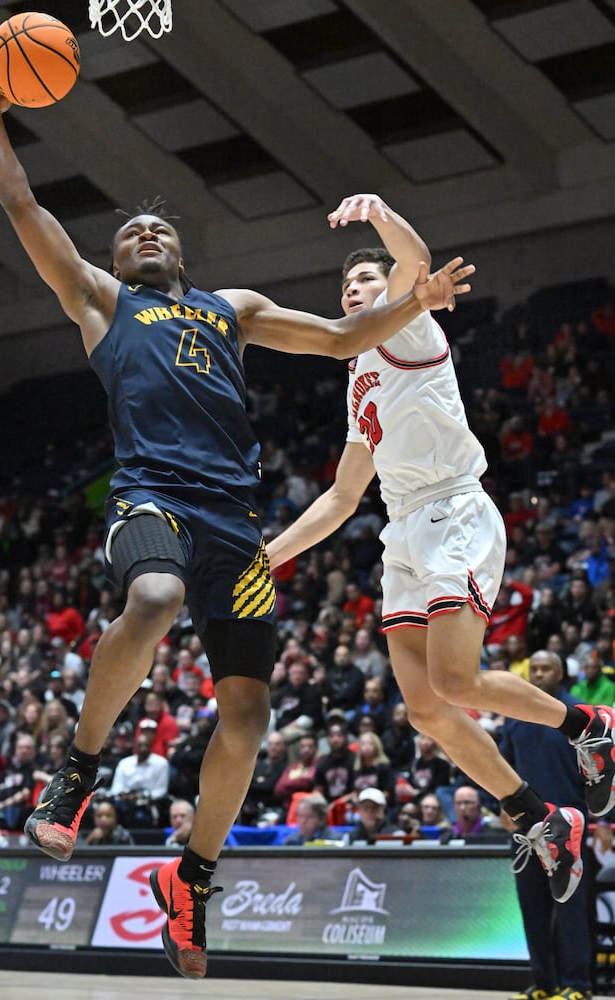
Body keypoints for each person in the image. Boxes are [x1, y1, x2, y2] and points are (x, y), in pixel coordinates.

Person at [0, 57, 472, 980]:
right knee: (155, 596)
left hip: (235, 524)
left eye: (161, 226)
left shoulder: (228, 309)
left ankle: (191, 881)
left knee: (247, 711)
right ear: (116, 260)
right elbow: (20, 209)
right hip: (153, 500)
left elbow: (333, 339)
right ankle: (79, 772)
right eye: (131, 231)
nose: (148, 232)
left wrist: (414, 301)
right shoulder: (102, 302)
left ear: (182, 252)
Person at [265, 192, 615, 908]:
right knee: (424, 709)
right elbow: (338, 498)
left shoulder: (410, 331)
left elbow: (415, 263)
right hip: (401, 536)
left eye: (363, 282)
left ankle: (592, 723)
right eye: (345, 289)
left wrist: (378, 213)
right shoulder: (359, 377)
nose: (352, 293)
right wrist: (268, 556)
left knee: (456, 682)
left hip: (454, 510)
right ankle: (540, 818)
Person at [502, 650, 594, 1000]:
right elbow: (499, 765)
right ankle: (544, 984)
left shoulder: (580, 715)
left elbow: (601, 773)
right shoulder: (515, 715)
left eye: (545, 669)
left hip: (571, 826)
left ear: (561, 673)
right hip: (525, 830)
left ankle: (578, 985)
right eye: (534, 668)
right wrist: (499, 805)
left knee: (571, 908)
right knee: (532, 908)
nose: (538, 674)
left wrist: (603, 821)